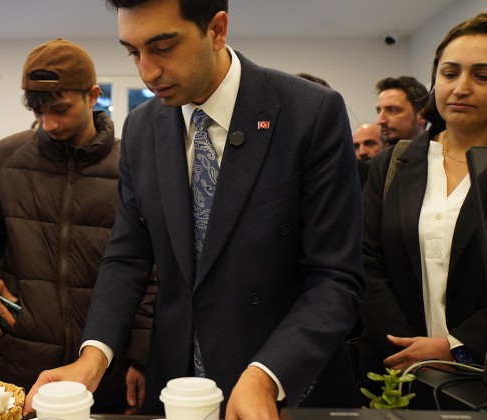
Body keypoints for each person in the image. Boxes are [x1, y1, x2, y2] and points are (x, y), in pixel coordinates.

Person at [24, 0, 364, 418]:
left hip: (284, 382)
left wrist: (267, 375)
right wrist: (93, 357)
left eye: (163, 46)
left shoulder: (309, 112)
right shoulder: (142, 128)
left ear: (217, 29)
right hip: (178, 387)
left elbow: (335, 278)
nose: (147, 72)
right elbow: (128, 257)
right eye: (133, 52)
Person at [0, 38, 151, 414]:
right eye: (38, 110)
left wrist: (142, 354)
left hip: (107, 368)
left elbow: (154, 266)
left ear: (92, 95)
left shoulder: (132, 166)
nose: (49, 123)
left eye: (60, 109)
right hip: (15, 362)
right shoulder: (1, 160)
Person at [359, 12, 487, 394]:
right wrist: (407, 347)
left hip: (477, 372)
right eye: (450, 73)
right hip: (395, 371)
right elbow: (367, 259)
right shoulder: (395, 162)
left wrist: (455, 346)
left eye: (482, 76)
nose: (461, 88)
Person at [375, 76, 428, 146]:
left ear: (422, 116)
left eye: (392, 110)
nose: (380, 121)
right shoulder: (381, 157)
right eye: (379, 111)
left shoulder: (442, 154)